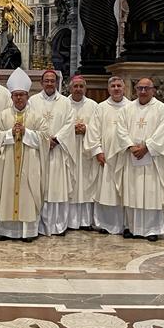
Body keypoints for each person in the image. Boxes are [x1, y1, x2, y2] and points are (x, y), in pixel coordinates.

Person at [0, 68, 48, 241]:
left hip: (29, 164)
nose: (19, 98)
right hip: (8, 164)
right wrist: (9, 133)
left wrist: (27, 133)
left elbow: (45, 137)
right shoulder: (3, 116)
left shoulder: (36, 117)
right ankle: (6, 231)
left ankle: (28, 232)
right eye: (16, 95)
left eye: (22, 95)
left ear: (27, 96)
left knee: (27, 194)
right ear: (11, 97)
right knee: (7, 192)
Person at [115, 77, 164, 240]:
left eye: (147, 88)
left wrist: (146, 147)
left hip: (152, 159)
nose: (143, 91)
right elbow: (121, 130)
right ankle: (133, 227)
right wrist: (131, 147)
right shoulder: (127, 109)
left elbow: (163, 131)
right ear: (135, 90)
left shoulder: (161, 109)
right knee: (133, 191)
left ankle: (152, 229)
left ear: (153, 90)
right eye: (140, 88)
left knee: (151, 193)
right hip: (132, 156)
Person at [54, 75, 100, 231]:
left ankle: (85, 221)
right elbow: (59, 124)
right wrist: (71, 130)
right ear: (70, 88)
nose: (78, 89)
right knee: (71, 182)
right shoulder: (63, 104)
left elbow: (97, 127)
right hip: (68, 148)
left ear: (85, 88)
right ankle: (69, 221)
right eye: (76, 86)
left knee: (85, 183)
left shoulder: (93, 105)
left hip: (86, 148)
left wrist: (86, 129)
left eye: (81, 86)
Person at [29, 69, 71, 236]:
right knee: (42, 188)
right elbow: (30, 122)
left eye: (52, 81)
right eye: (46, 81)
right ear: (41, 83)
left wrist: (57, 139)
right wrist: (44, 140)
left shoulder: (65, 102)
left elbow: (69, 123)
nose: (49, 84)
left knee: (57, 188)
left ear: (56, 82)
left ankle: (58, 225)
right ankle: (41, 225)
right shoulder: (32, 101)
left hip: (59, 150)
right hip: (40, 152)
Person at [88, 76, 130, 235]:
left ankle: (125, 224)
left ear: (124, 88)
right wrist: (97, 151)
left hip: (124, 157)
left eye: (119, 85)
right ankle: (105, 224)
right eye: (113, 86)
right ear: (108, 89)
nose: (116, 88)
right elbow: (93, 132)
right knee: (105, 191)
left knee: (123, 191)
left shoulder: (131, 107)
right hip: (105, 156)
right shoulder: (101, 108)